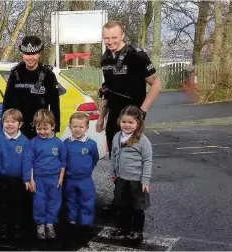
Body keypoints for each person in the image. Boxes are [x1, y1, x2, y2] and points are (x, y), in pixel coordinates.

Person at [96, 21, 162, 155]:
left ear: (122, 36)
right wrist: (101, 117)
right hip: (114, 113)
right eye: (106, 38)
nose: (110, 42)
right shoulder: (105, 58)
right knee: (114, 152)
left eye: (114, 37)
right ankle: (116, 176)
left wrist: (142, 111)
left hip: (132, 113)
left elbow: (157, 84)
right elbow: (107, 90)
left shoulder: (135, 54)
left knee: (131, 155)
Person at [109, 105, 153, 244]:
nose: (126, 125)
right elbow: (113, 156)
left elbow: (147, 160)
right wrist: (113, 173)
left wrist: (145, 181)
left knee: (137, 208)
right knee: (122, 206)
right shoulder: (117, 137)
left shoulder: (142, 140)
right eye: (124, 122)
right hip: (121, 179)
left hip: (136, 181)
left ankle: (137, 232)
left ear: (138, 123)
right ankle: (124, 228)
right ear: (119, 121)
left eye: (131, 122)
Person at [2, 35, 61, 140]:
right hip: (18, 130)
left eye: (33, 54)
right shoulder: (15, 73)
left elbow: (54, 105)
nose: (30, 57)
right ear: (22, 55)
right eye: (26, 54)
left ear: (39, 54)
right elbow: (7, 102)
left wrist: (54, 129)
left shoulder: (48, 74)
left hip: (41, 129)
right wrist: (5, 126)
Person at [0, 108, 33, 240]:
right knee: (4, 204)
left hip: (19, 180)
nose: (9, 124)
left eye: (13, 122)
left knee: (18, 204)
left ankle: (17, 228)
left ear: (20, 125)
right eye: (6, 121)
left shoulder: (24, 141)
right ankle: (4, 228)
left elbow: (27, 162)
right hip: (3, 179)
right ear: (2, 123)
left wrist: (27, 179)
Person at [28, 109, 67, 240]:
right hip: (39, 179)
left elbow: (63, 162)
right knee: (39, 202)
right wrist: (31, 179)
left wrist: (61, 178)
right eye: (39, 128)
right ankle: (40, 224)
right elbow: (30, 163)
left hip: (54, 179)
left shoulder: (59, 143)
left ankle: (50, 223)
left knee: (54, 202)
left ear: (53, 126)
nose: (42, 132)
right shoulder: (33, 143)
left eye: (46, 128)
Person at [63, 112, 99, 237]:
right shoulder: (65, 143)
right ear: (70, 126)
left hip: (85, 179)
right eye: (74, 126)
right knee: (71, 200)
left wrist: (87, 169)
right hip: (70, 179)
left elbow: (95, 158)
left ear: (87, 128)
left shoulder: (91, 144)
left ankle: (86, 223)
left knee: (87, 200)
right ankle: (72, 221)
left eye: (81, 127)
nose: (77, 129)